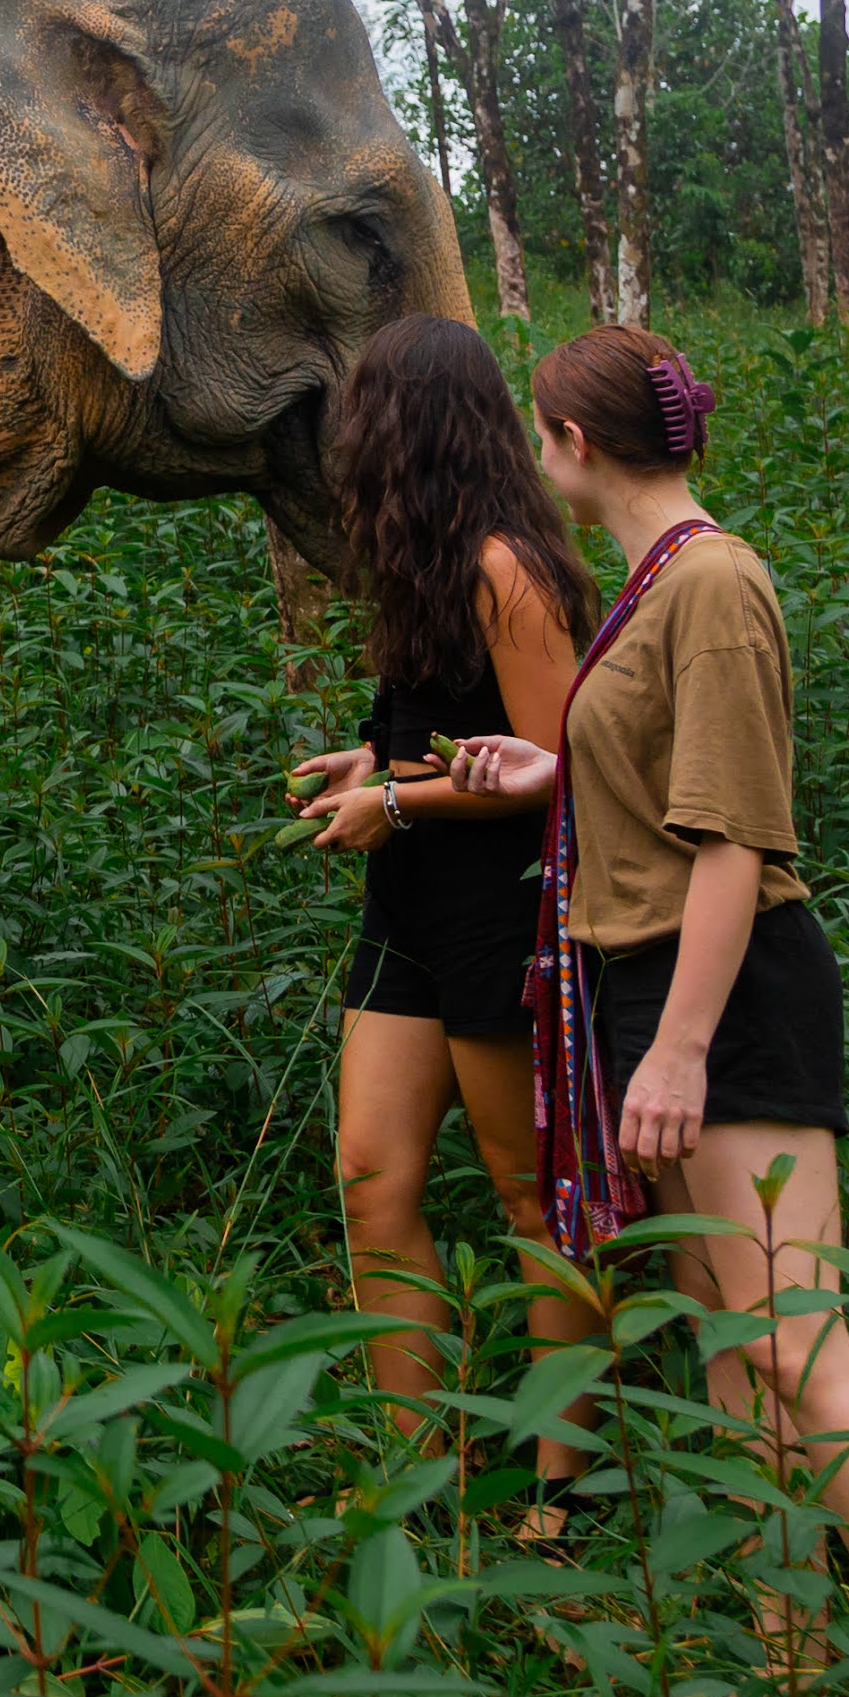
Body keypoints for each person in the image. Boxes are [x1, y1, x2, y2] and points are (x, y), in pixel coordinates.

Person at [439, 325, 849, 1633]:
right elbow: (669, 774)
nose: (529, 444)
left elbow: (735, 836)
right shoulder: (654, 580)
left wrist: (676, 1046)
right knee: (734, 1355)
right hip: (644, 980)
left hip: (718, 991)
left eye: (535, 425)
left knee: (793, 1340)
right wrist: (554, 774)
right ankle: (784, 1677)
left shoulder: (713, 582)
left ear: (571, 442)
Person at [288, 314, 605, 1497]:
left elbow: (558, 764)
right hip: (404, 907)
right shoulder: (418, 555)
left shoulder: (503, 569)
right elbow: (427, 735)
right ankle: (420, 1467)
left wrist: (397, 797)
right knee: (371, 1181)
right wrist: (359, 763)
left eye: (364, 409)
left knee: (528, 1196)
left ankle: (561, 1485)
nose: (347, 433)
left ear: (410, 426)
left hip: (497, 913)